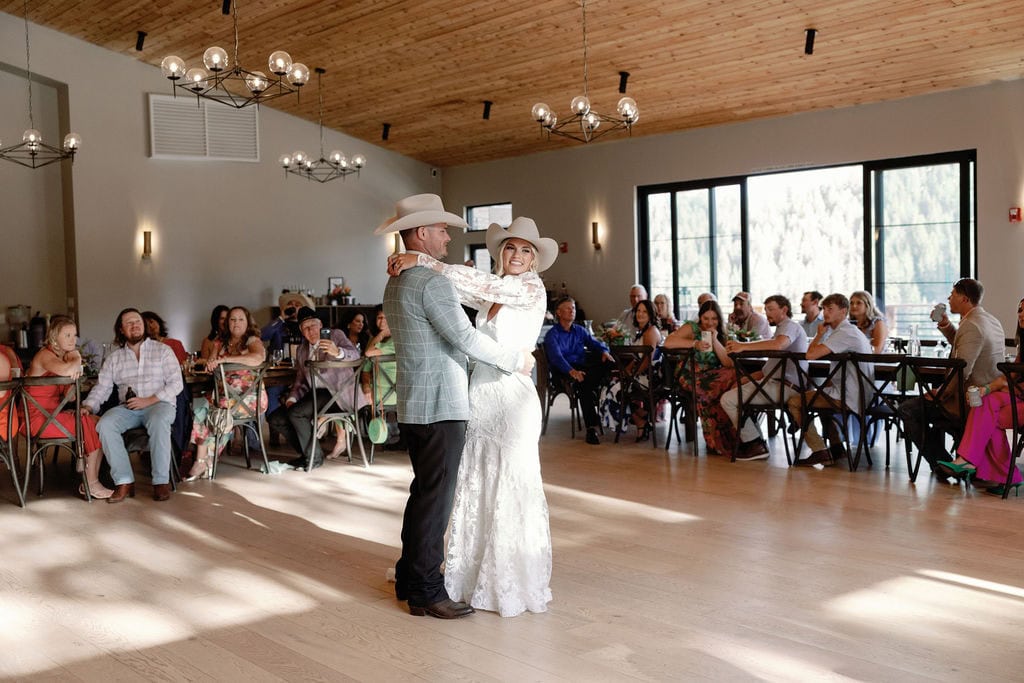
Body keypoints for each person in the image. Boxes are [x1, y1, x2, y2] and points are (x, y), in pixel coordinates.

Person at [390, 215, 557, 617]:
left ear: (534, 260)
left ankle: (507, 581)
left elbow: (476, 294)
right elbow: (462, 296)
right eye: (510, 248)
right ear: (501, 252)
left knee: (509, 484)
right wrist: (427, 266)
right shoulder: (493, 293)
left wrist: (421, 261)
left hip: (512, 396)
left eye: (525, 250)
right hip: (479, 397)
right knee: (474, 482)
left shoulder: (529, 288)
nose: (516, 255)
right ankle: (466, 576)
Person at [898, 278, 1005, 476]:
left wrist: (941, 393)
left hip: (969, 401)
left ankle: (943, 464)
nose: (949, 298)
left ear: (964, 299)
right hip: (985, 396)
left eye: (953, 294)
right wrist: (946, 325)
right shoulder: (988, 319)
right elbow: (965, 347)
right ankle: (957, 455)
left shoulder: (972, 325)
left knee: (907, 410)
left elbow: (961, 370)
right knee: (922, 407)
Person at [83, 308, 183, 502]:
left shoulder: (162, 350)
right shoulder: (114, 358)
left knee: (159, 420)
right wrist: (88, 406)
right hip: (129, 408)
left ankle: (160, 482)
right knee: (105, 424)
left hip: (159, 404)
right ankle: (124, 481)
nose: (134, 325)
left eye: (137, 321)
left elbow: (176, 383)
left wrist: (149, 400)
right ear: (121, 330)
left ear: (143, 325)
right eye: (129, 323)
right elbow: (102, 387)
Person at [942, 297, 1024, 494]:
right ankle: (1006, 477)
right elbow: (1010, 377)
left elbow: (1011, 384)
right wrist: (988, 388)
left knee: (987, 409)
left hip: (1020, 399)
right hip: (1018, 398)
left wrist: (994, 388)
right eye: (1019, 310)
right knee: (986, 408)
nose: (1021, 314)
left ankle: (971, 461)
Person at [26, 315, 113, 500]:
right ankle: (91, 483)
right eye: (67, 335)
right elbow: (67, 371)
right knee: (88, 424)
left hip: (53, 415)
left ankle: (92, 478)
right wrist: (76, 357)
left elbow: (71, 396)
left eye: (74, 335)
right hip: (39, 419)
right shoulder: (45, 355)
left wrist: (72, 388)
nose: (73, 340)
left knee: (100, 423)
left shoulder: (61, 358)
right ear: (54, 337)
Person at [267, 307, 362, 469]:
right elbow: (300, 380)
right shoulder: (302, 349)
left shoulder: (336, 335)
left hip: (338, 394)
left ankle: (314, 458)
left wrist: (338, 352)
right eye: (305, 327)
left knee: (297, 413)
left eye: (314, 325)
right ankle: (308, 454)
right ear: (301, 331)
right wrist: (292, 398)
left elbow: (355, 354)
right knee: (276, 418)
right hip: (316, 395)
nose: (311, 330)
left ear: (321, 325)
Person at [786, 293, 872, 467]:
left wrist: (819, 334)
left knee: (795, 402)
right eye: (824, 309)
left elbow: (810, 355)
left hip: (850, 396)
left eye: (830, 309)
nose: (825, 313)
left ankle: (820, 451)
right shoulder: (848, 331)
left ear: (843, 311)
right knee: (820, 398)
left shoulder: (844, 333)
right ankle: (836, 447)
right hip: (859, 393)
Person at [184, 306, 267, 481]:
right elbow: (212, 362)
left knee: (214, 412)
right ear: (227, 323)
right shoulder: (219, 343)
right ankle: (204, 459)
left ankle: (203, 460)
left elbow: (258, 358)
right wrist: (210, 364)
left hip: (248, 398)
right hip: (222, 396)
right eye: (232, 319)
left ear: (247, 322)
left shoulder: (252, 340)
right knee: (201, 406)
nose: (236, 323)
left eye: (241, 319)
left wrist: (227, 359)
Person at [721, 294, 809, 460]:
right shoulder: (782, 329)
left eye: (771, 309)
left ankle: (755, 444)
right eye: (766, 309)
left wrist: (742, 346)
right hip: (779, 384)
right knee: (736, 391)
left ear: (784, 310)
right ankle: (756, 440)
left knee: (728, 400)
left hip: (785, 387)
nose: (767, 313)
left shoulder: (789, 326)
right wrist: (746, 379)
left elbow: (778, 345)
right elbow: (769, 368)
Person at [663, 299, 737, 454]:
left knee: (732, 377)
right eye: (706, 318)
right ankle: (715, 441)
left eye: (714, 319)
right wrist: (695, 343)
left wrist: (715, 339)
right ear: (700, 317)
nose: (710, 323)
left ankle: (731, 438)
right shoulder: (692, 327)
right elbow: (669, 342)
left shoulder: (722, 332)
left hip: (711, 376)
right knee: (712, 388)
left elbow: (728, 363)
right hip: (689, 375)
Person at [544, 296, 615, 445]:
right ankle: (592, 427)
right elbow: (556, 358)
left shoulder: (579, 330)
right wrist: (571, 372)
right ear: (558, 312)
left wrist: (604, 351)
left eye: (574, 308)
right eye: (568, 308)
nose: (572, 311)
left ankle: (591, 427)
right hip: (562, 371)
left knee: (605, 364)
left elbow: (594, 343)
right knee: (584, 385)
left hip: (581, 369)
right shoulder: (552, 335)